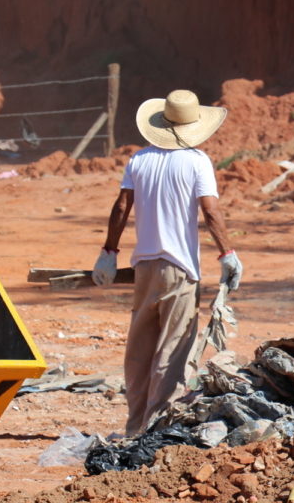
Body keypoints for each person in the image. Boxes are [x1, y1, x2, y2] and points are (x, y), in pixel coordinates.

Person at [91, 89, 243, 436]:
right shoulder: (196, 161)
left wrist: (108, 252)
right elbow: (210, 211)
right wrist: (228, 254)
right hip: (180, 269)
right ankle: (157, 429)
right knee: (172, 350)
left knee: (140, 348)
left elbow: (120, 208)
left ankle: (135, 425)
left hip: (144, 266)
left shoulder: (139, 160)